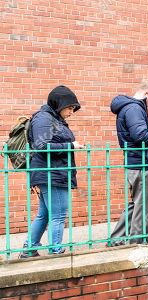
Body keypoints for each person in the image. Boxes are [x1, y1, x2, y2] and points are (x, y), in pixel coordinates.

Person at [19, 86, 84, 258]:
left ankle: (29, 248)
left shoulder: (53, 118)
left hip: (54, 172)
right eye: (70, 108)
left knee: (45, 214)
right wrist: (70, 145)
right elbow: (41, 146)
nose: (72, 112)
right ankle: (56, 249)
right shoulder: (44, 119)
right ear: (59, 104)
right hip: (51, 174)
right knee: (59, 213)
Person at [109, 79, 148, 245]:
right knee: (143, 207)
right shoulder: (135, 108)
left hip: (135, 162)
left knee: (136, 204)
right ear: (146, 93)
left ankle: (116, 240)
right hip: (141, 163)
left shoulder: (129, 107)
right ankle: (138, 244)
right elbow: (140, 135)